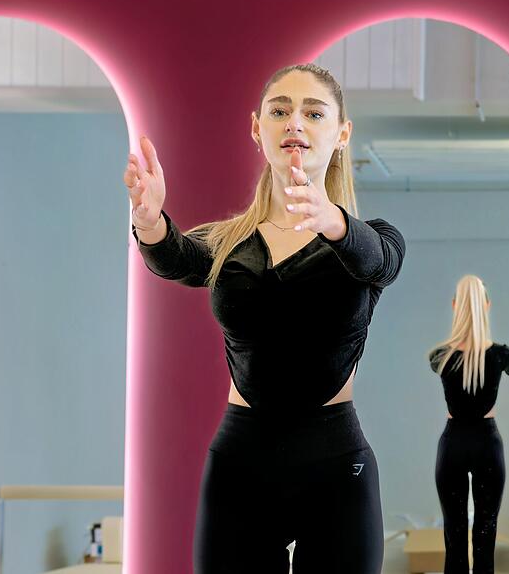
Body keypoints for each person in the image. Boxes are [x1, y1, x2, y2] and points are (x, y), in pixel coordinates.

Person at [123, 63, 404, 573]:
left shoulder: (368, 240)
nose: (294, 122)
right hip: (241, 462)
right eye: (280, 111)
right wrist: (149, 222)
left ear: (342, 134)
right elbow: (177, 257)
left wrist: (332, 220)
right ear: (258, 129)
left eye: (313, 113)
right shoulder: (229, 241)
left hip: (336, 463)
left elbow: (382, 261)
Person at [428, 274, 509, 574]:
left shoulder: (440, 357)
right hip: (487, 444)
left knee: (454, 533)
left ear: (455, 306)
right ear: (486, 305)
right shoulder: (502, 355)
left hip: (453, 444)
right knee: (485, 531)